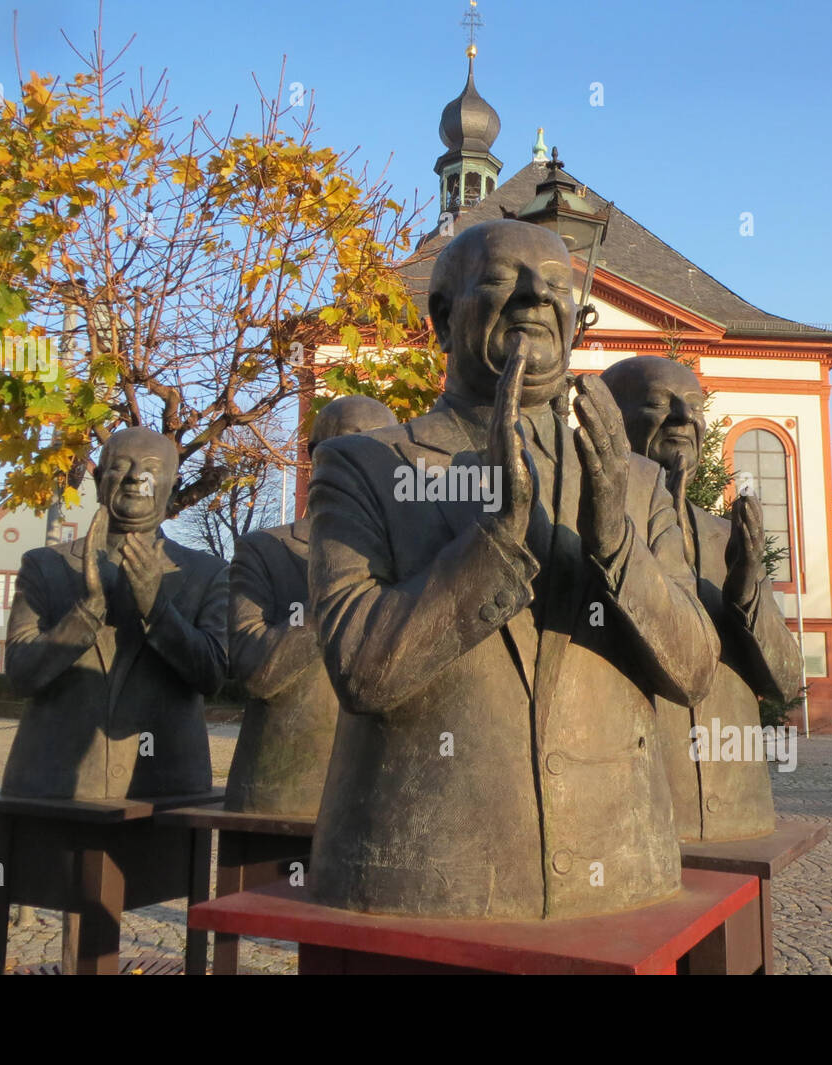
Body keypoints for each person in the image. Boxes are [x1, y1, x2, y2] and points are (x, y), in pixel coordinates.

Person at [305, 219, 719, 919]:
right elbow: (358, 667)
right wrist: (494, 541)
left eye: (554, 286)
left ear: (575, 323)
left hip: (619, 876)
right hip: (421, 886)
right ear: (441, 317)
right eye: (501, 280)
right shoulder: (362, 466)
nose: (533, 295)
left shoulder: (639, 482)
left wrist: (616, 542)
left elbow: (695, 669)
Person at [601, 356, 802, 841]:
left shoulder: (723, 536)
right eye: (656, 403)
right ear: (609, 418)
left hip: (739, 810)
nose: (683, 417)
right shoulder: (583, 525)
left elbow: (788, 682)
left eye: (695, 405)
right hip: (636, 823)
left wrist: (748, 590)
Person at [1, 426, 229, 799]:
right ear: (96, 478)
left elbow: (212, 675)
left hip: (164, 786)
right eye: (119, 466)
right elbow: (21, 675)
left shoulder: (207, 573)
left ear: (174, 481)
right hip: (50, 785)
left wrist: (157, 610)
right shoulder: (45, 565)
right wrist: (86, 612)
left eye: (152, 467)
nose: (135, 476)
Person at [223, 395, 398, 815]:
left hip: (382, 799)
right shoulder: (264, 550)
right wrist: (335, 596)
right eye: (348, 448)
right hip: (282, 795)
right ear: (315, 456)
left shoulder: (412, 557)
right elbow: (254, 674)